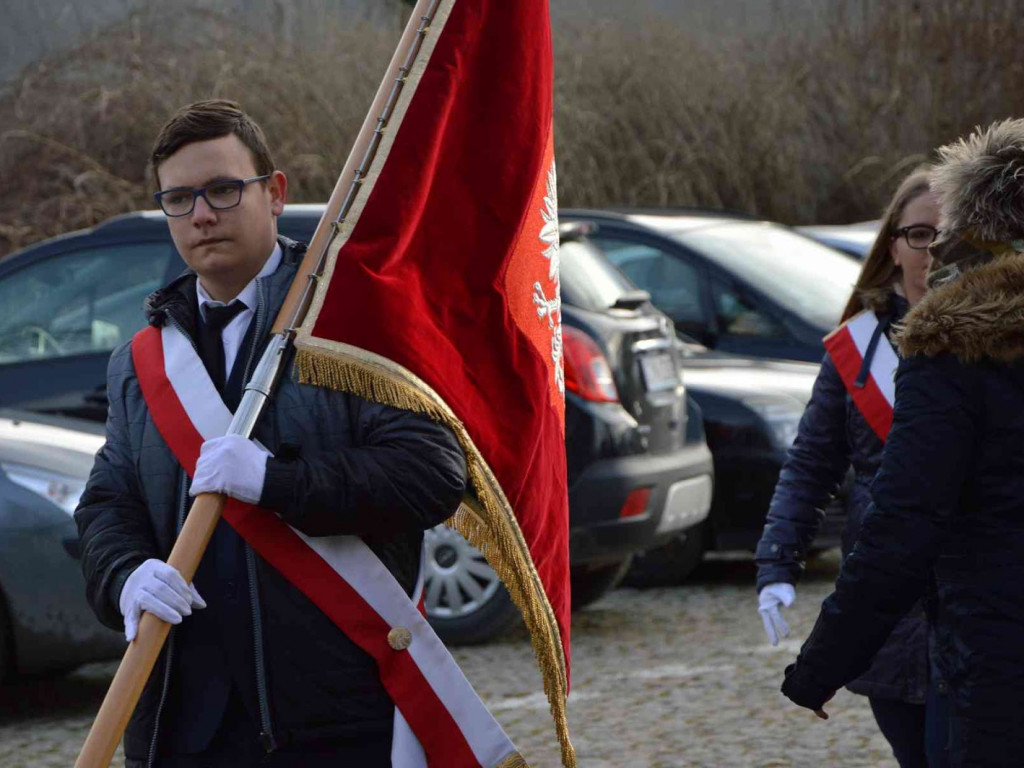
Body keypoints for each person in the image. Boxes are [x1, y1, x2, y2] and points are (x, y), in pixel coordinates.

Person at [74, 99, 468, 767]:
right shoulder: (139, 361)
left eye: (223, 190)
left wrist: (276, 481)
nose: (201, 215)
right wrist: (125, 576)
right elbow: (107, 505)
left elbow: (430, 474)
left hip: (334, 719)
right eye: (178, 199)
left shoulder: (351, 324)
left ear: (275, 192)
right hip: (181, 722)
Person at [780, 118, 1024, 766]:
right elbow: (814, 464)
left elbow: (903, 525)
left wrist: (819, 666)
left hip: (997, 669)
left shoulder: (949, 346)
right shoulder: (888, 345)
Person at [754, 168, 942, 767]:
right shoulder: (855, 348)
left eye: (950, 234)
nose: (933, 251)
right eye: (919, 235)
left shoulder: (1000, 342)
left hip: (972, 595)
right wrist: (778, 561)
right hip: (886, 601)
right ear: (891, 246)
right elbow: (811, 465)